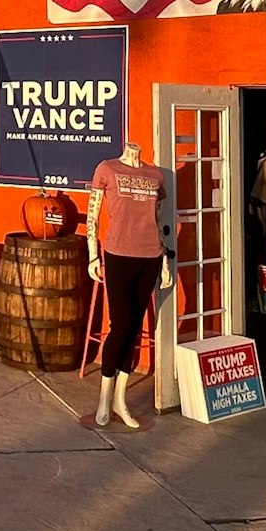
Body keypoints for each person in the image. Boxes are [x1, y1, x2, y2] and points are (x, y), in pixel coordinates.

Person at [86, 141, 172, 430]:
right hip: (118, 254)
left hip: (150, 256)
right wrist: (92, 256)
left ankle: (120, 401)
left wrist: (164, 262)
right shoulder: (107, 168)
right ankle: (103, 400)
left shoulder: (155, 176)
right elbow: (93, 216)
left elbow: (157, 220)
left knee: (133, 329)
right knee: (120, 326)